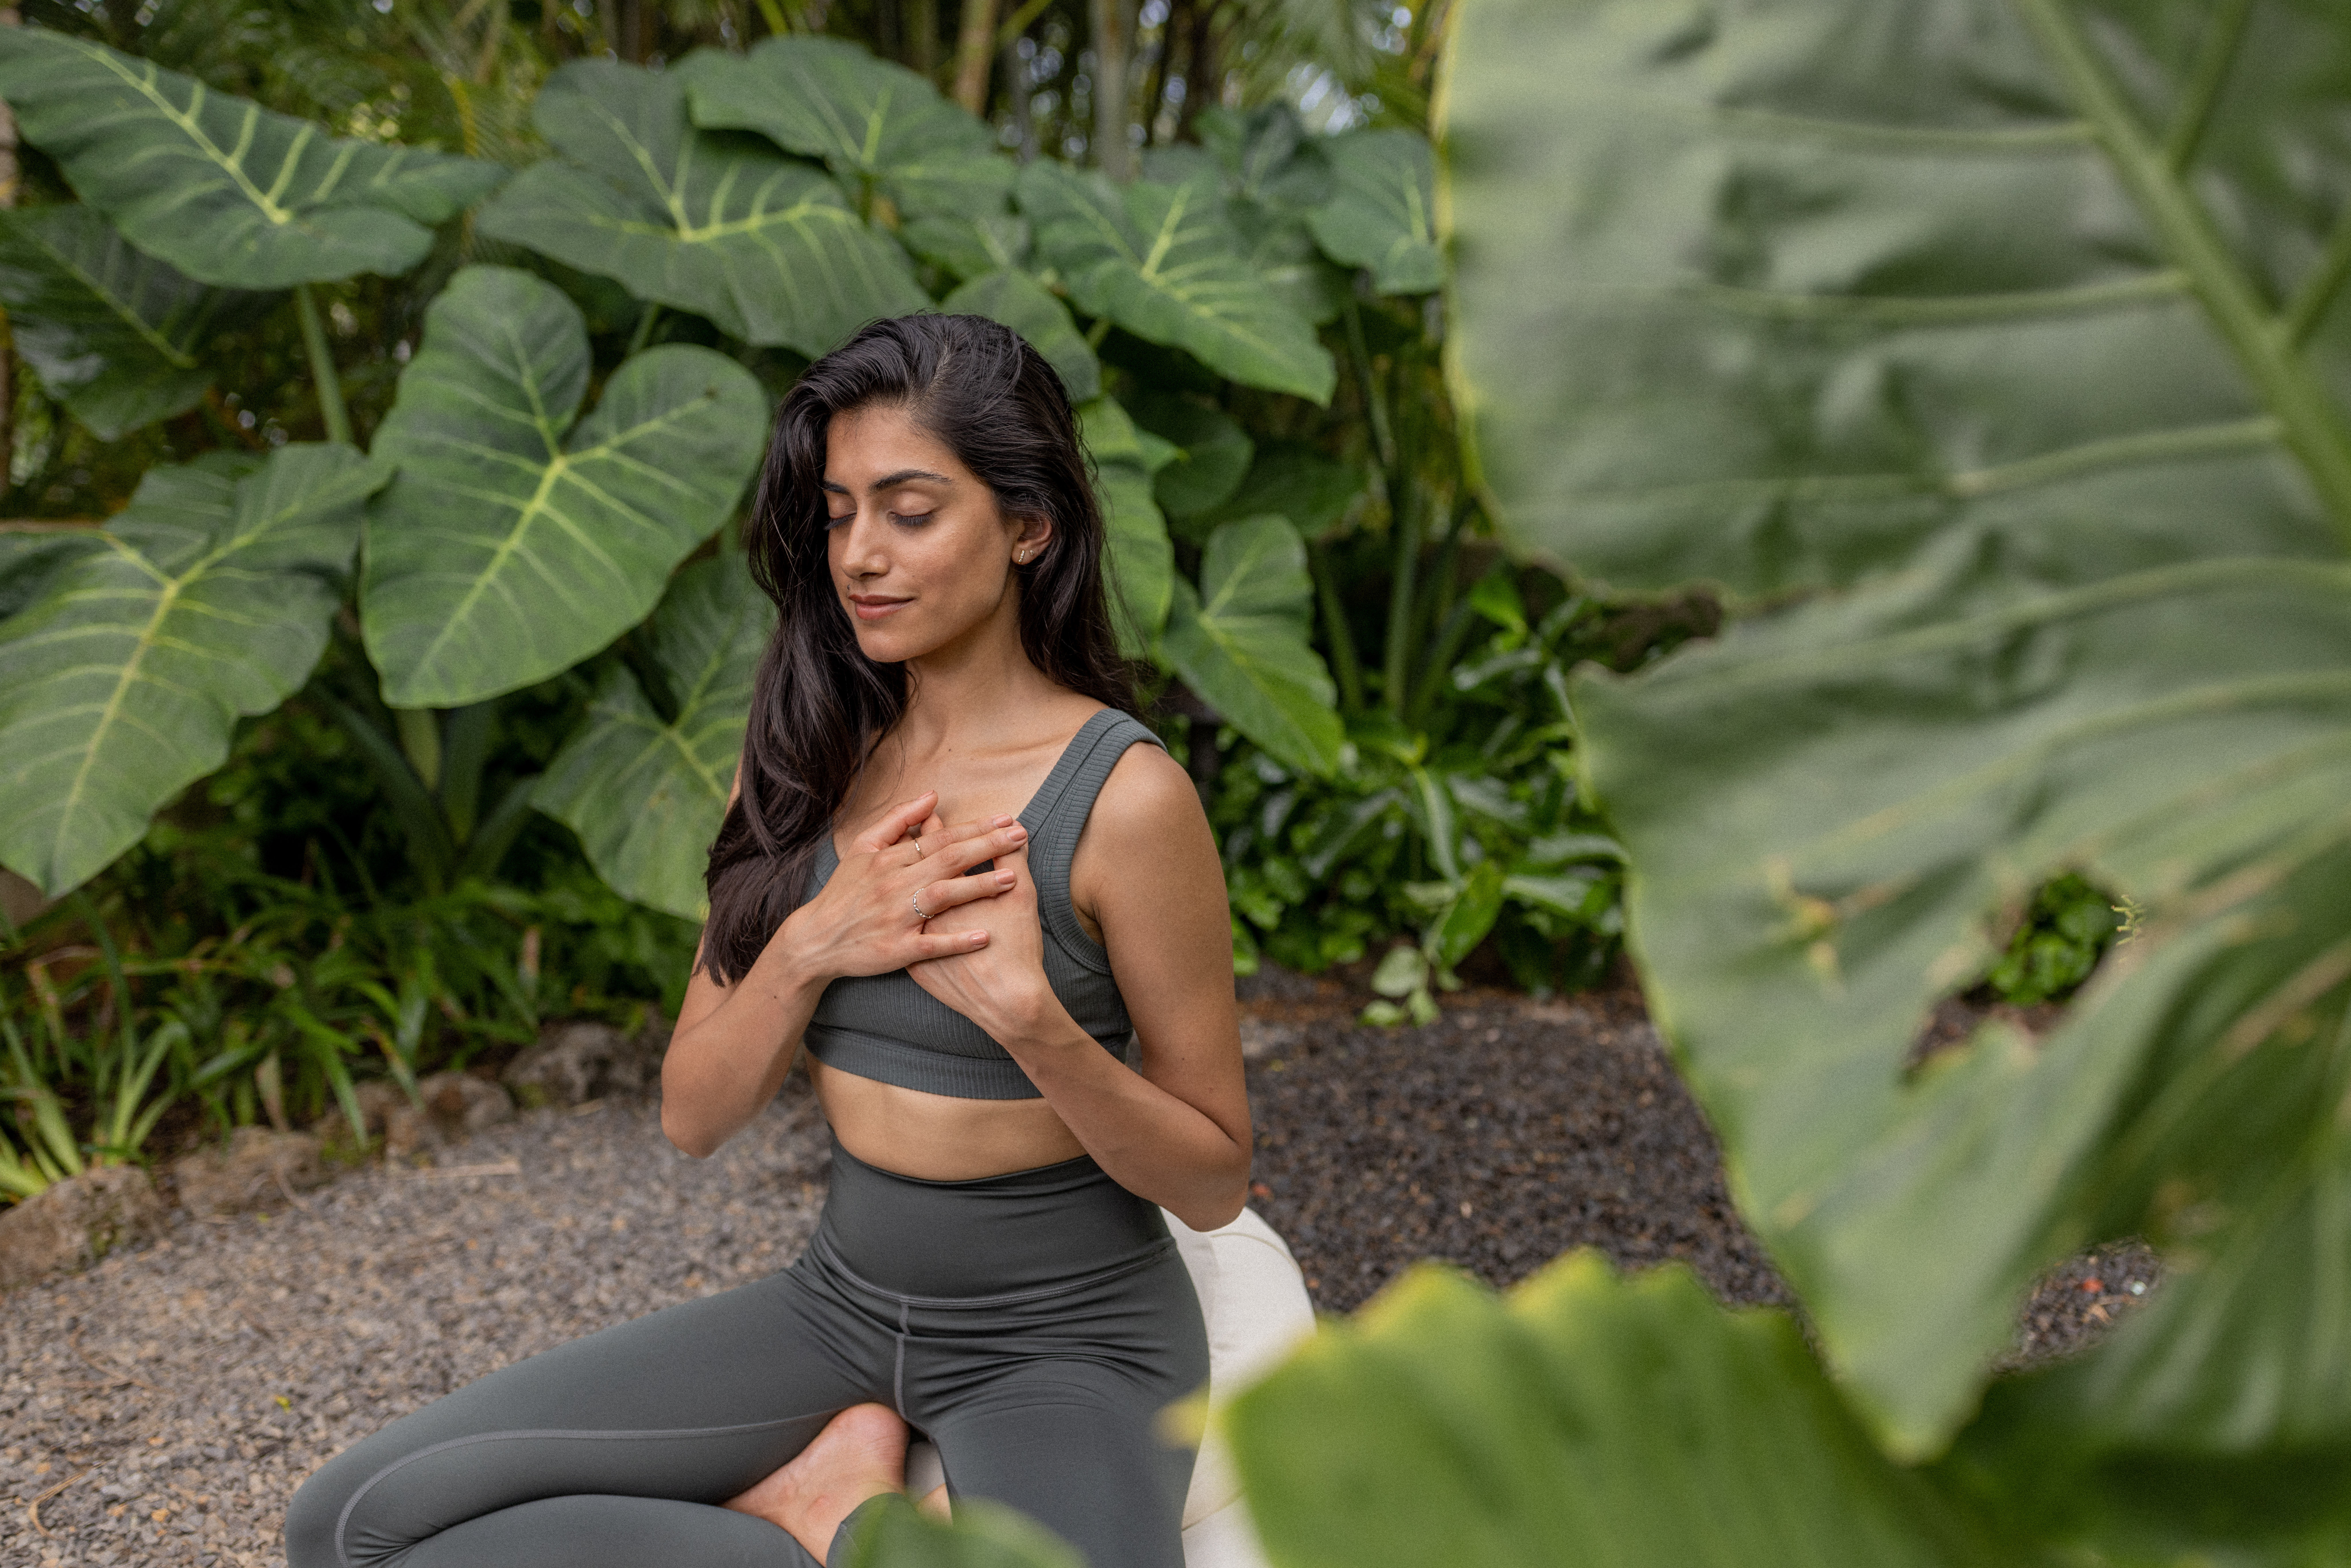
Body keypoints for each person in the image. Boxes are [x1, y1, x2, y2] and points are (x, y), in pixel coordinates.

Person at [282, 313, 1252, 1568]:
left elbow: (1214, 1177)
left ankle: (836, 1521)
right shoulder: (805, 755)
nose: (860, 553)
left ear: (1028, 525)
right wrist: (813, 941)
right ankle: (831, 1506)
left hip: (1066, 1339)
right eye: (840, 511)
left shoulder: (1121, 800)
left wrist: (1033, 1024)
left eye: (909, 510)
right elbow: (693, 1111)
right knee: (350, 1527)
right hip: (842, 1304)